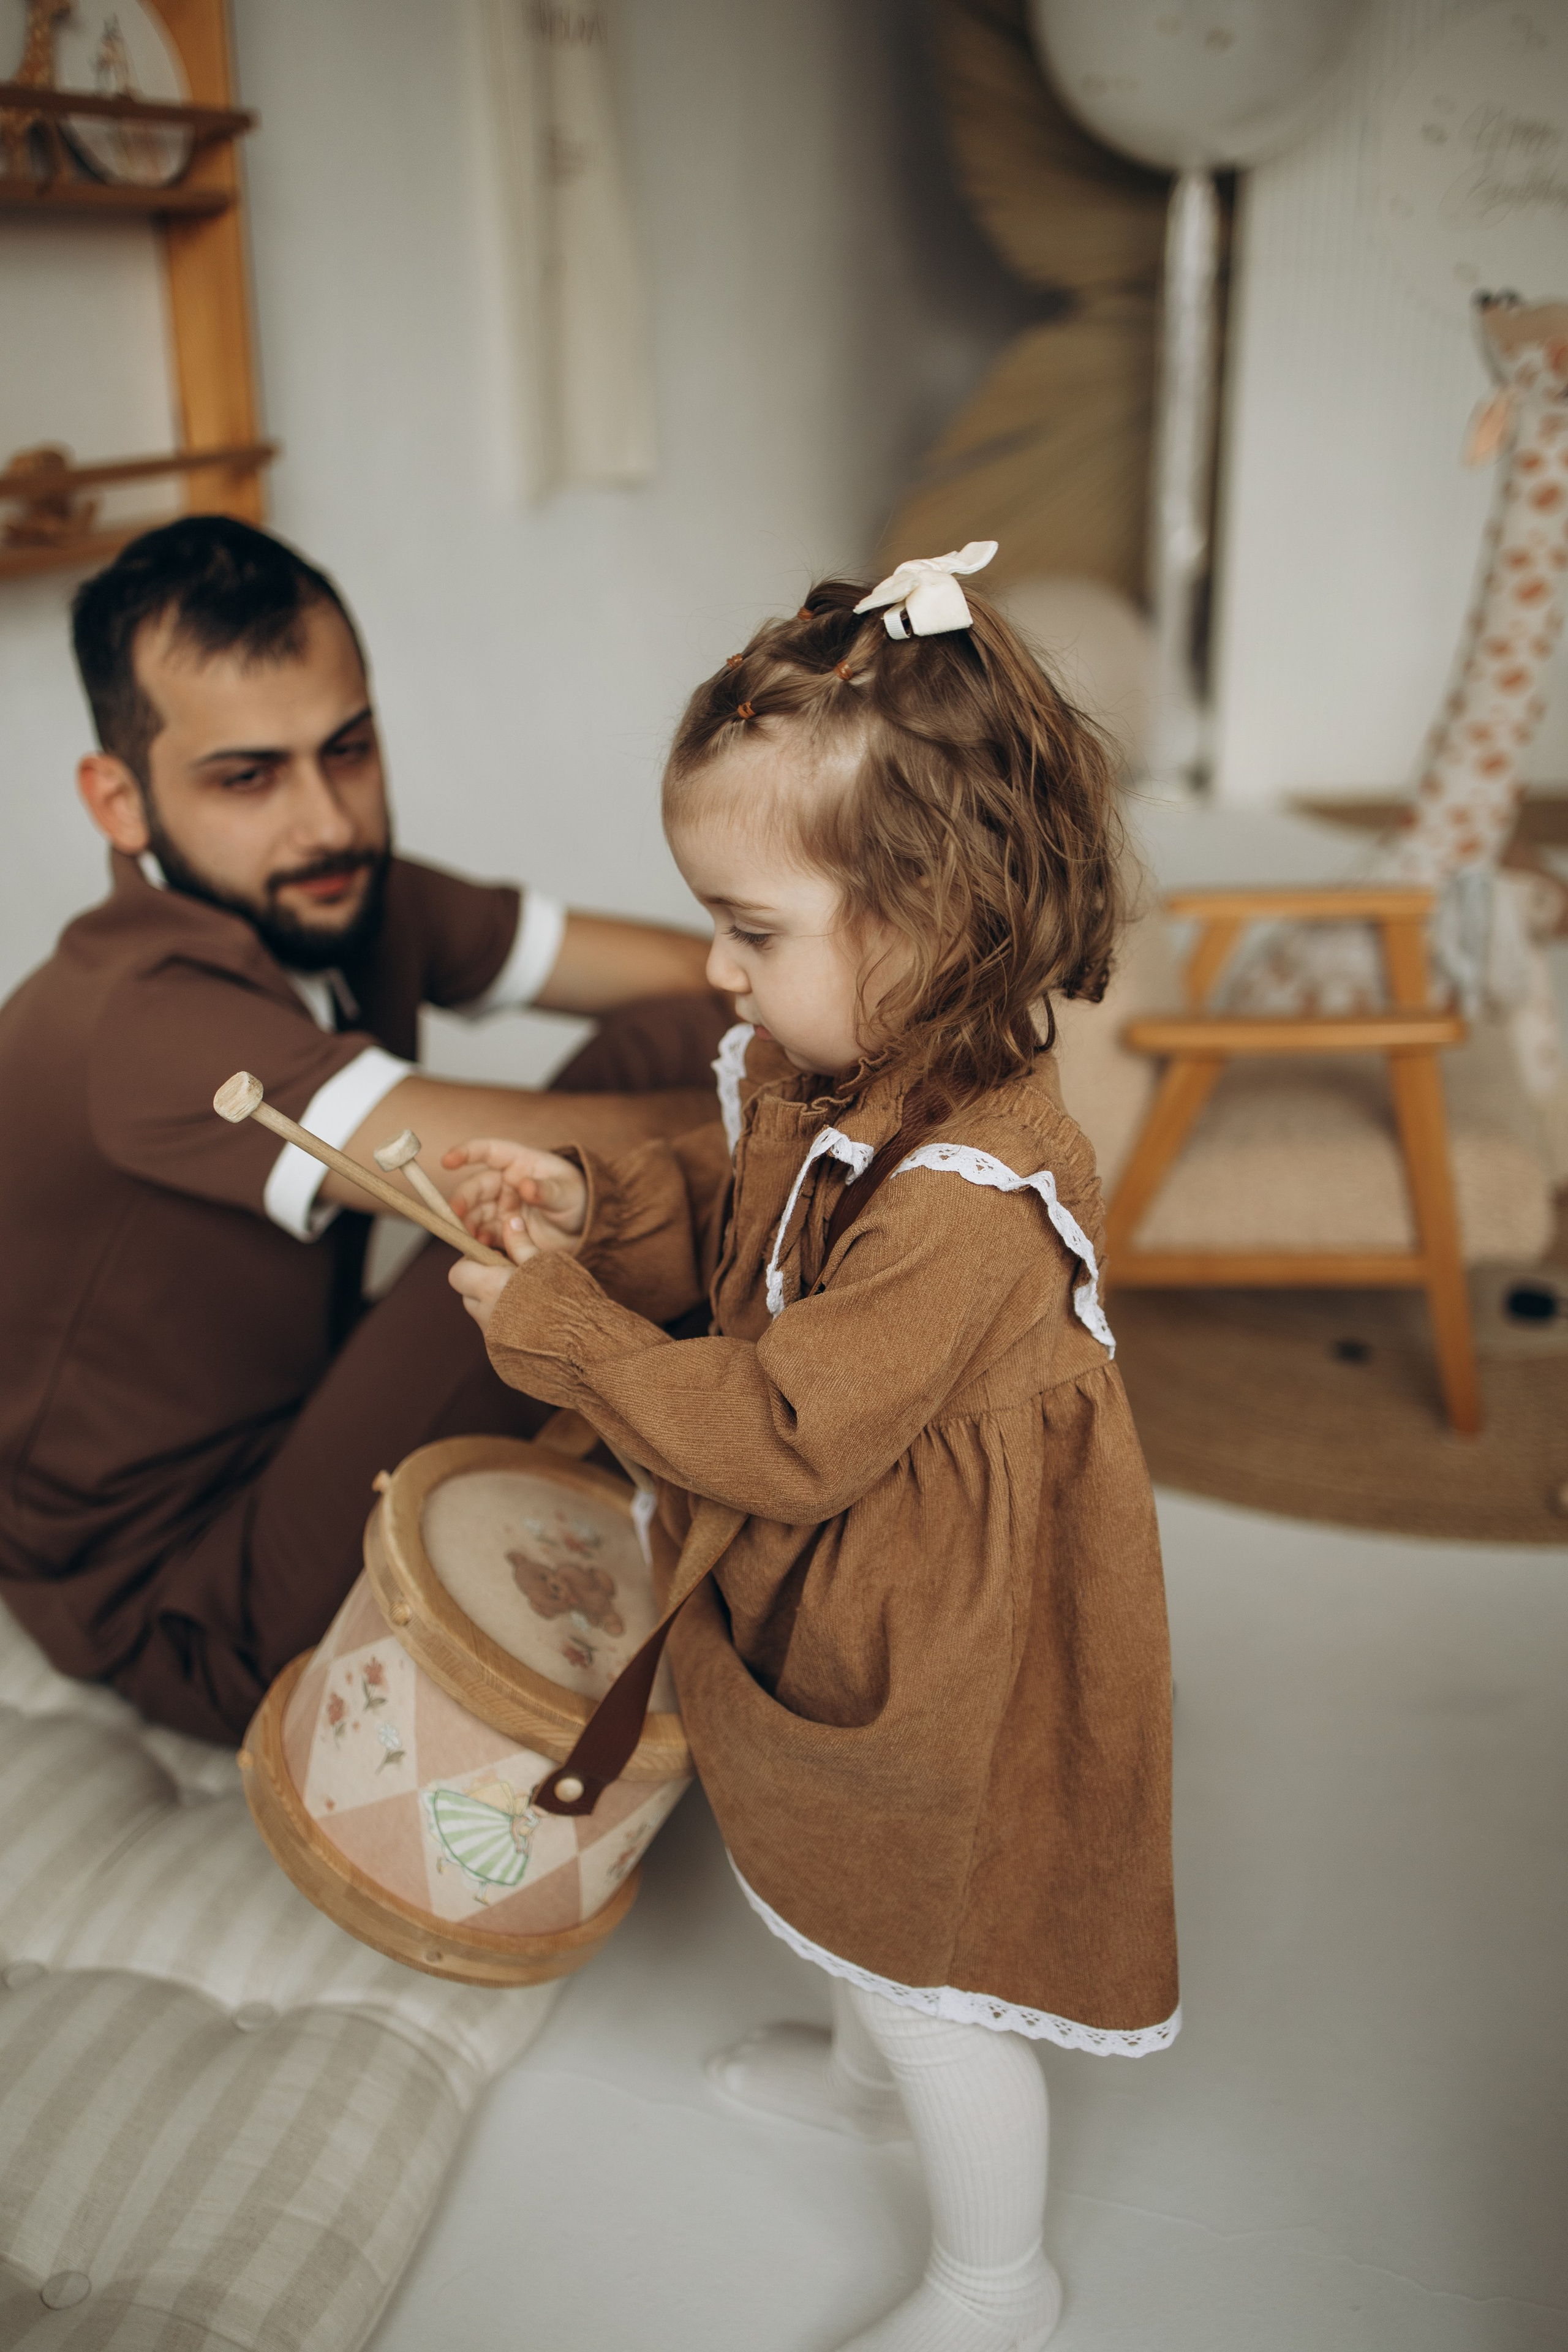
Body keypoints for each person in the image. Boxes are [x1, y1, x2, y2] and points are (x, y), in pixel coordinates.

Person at [443, 551, 1179, 2351]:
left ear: (928, 923)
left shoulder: (970, 1204)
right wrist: (590, 1205)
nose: (713, 966)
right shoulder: (828, 1074)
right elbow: (734, 1208)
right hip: (851, 1580)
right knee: (847, 1888)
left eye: (748, 931)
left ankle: (998, 2282)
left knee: (928, 1962)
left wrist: (559, 1327)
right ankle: (858, 2079)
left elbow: (780, 1426)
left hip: (942, 1618)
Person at [0, 516, 729, 1744]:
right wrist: (860, 1115)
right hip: (189, 1608)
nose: (326, 821)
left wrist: (847, 1012)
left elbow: (705, 975)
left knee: (681, 1057)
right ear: (118, 801)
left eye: (348, 749)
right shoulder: (145, 1021)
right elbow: (516, 1188)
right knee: (560, 1210)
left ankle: (775, 1479)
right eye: (247, 778)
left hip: (291, 1428)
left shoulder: (333, 892)